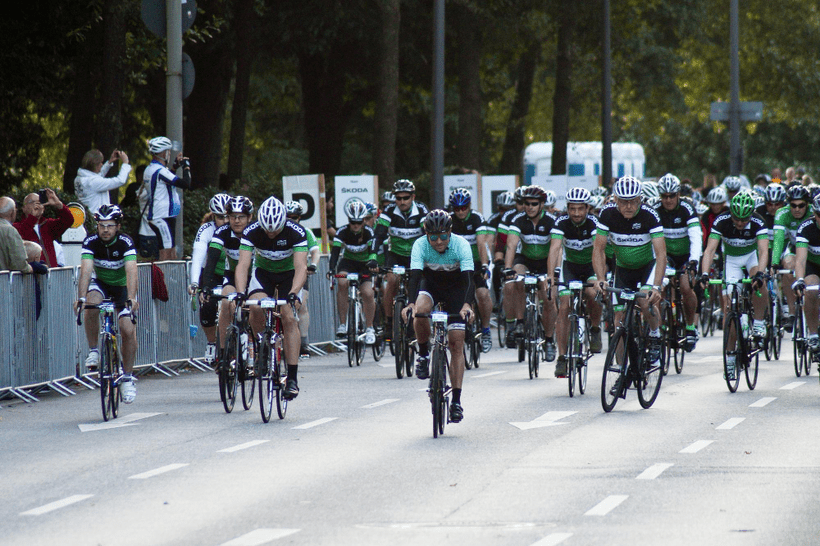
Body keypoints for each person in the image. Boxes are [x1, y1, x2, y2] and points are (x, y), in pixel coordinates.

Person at [402, 210, 473, 423]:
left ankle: (457, 401)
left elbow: (470, 279)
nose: (439, 241)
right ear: (426, 234)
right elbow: (414, 277)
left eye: (443, 236)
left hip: (457, 289)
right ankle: (423, 354)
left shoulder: (461, 245)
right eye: (433, 237)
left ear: (450, 232)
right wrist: (411, 304)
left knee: (456, 344)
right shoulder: (420, 245)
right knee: (421, 311)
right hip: (431, 285)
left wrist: (467, 305)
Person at [234, 197, 307, 400]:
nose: (271, 234)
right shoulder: (252, 231)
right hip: (263, 274)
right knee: (255, 307)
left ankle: (292, 378)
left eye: (275, 230)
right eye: (267, 230)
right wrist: (240, 292)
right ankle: (262, 349)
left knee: (289, 317)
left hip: (289, 276)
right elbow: (243, 265)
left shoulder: (296, 232)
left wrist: (293, 292)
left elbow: (301, 267)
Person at [592, 176, 666, 366]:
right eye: (624, 201)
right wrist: (600, 278)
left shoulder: (650, 215)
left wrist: (656, 286)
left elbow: (661, 254)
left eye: (633, 201)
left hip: (646, 268)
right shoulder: (607, 214)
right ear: (615, 199)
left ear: (640, 199)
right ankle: (622, 371)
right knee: (618, 321)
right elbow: (598, 249)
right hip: (623, 269)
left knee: (644, 299)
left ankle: (655, 335)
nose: (629, 206)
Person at [75, 205, 139, 403]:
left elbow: (131, 271)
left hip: (121, 288)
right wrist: (81, 298)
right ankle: (94, 350)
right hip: (101, 284)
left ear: (118, 226)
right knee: (91, 302)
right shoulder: (91, 242)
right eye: (101, 225)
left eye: (109, 226)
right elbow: (85, 270)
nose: (104, 230)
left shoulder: (125, 242)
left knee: (127, 330)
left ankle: (127, 377)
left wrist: (131, 297)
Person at [700, 192, 769, 377]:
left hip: (751, 258)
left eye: (744, 219)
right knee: (730, 309)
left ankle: (759, 323)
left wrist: (761, 274)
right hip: (731, 262)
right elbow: (709, 250)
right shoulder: (722, 221)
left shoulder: (758, 222)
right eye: (736, 219)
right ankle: (730, 359)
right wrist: (704, 274)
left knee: (759, 282)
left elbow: (763, 252)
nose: (739, 223)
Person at [547, 187, 603, 376]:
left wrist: (599, 278)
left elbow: (598, 250)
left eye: (580, 208)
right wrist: (550, 276)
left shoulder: (595, 222)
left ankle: (595, 328)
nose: (576, 213)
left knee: (592, 294)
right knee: (564, 306)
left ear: (587, 208)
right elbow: (554, 249)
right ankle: (562, 358)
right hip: (569, 268)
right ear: (567, 208)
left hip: (590, 267)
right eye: (572, 208)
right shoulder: (561, 222)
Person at [502, 185, 558, 363]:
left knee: (548, 299)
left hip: (545, 262)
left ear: (542, 204)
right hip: (525, 259)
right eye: (526, 203)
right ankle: (519, 322)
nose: (530, 207)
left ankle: (549, 341)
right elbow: (511, 245)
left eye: (534, 203)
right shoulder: (518, 219)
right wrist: (508, 268)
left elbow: (557, 249)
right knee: (517, 280)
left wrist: (553, 273)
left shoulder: (551, 221)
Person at [200, 196, 254, 369]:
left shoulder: (256, 231)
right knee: (226, 303)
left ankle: (254, 346)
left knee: (254, 308)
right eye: (232, 216)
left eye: (241, 217)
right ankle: (223, 353)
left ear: (250, 217)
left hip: (255, 276)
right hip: (231, 275)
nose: (236, 221)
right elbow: (212, 260)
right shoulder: (222, 232)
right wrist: (205, 286)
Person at [373, 179, 429, 338]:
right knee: (391, 281)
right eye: (398, 198)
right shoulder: (390, 210)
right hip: (395, 254)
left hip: (416, 255)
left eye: (406, 198)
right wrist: (373, 257)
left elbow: (428, 233)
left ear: (413, 197)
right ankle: (389, 323)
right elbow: (378, 235)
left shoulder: (421, 209)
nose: (402, 201)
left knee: (417, 284)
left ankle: (415, 321)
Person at [654, 173, 703, 351]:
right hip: (665, 257)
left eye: (672, 196)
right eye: (664, 196)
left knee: (685, 287)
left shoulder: (687, 209)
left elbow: (696, 237)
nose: (668, 200)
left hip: (685, 256)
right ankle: (657, 331)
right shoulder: (656, 210)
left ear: (678, 195)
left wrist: (693, 262)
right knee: (657, 289)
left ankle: (690, 327)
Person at [188, 193, 232, 364]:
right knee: (207, 305)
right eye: (221, 217)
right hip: (211, 273)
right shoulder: (206, 230)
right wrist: (194, 282)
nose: (226, 221)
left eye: (228, 216)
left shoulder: (237, 228)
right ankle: (212, 341)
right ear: (213, 216)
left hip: (231, 272)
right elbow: (198, 257)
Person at [448, 188, 494, 352]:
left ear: (469, 206)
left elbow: (482, 244)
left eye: (464, 207)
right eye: (457, 208)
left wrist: (484, 265)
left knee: (482, 294)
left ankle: (486, 329)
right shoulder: (449, 220)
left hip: (475, 261)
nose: (460, 211)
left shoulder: (476, 218)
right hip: (457, 263)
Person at [328, 200, 378, 345]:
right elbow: (335, 252)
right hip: (348, 263)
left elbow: (373, 251)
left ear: (363, 220)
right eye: (352, 221)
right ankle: (343, 324)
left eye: (359, 222)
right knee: (342, 283)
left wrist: (373, 262)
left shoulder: (369, 232)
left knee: (368, 293)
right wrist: (331, 269)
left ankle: (369, 328)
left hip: (364, 264)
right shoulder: (342, 231)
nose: (355, 225)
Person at [140, 136, 191, 260]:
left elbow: (165, 181)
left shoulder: (150, 169)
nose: (169, 154)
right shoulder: (160, 170)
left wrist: (174, 167)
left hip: (164, 215)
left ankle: (170, 278)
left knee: (171, 251)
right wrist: (186, 167)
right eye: (168, 152)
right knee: (166, 253)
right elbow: (185, 184)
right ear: (163, 153)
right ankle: (163, 278)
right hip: (161, 216)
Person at [771, 185, 813, 331]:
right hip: (794, 248)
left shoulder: (814, 212)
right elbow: (778, 240)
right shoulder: (782, 214)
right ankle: (791, 312)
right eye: (793, 205)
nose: (796, 209)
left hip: (813, 250)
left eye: (801, 205)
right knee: (788, 266)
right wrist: (775, 262)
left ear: (807, 204)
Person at [286, 201, 321, 358]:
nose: (292, 220)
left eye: (295, 218)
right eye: (288, 217)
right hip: (282, 273)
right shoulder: (277, 231)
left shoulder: (306, 232)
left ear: (300, 218)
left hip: (300, 273)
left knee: (302, 305)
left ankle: (304, 342)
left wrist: (313, 265)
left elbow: (315, 251)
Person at [13, 189, 74, 267]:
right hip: (31, 275)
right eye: (32, 202)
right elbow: (24, 233)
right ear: (24, 208)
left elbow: (69, 220)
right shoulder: (16, 227)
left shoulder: (48, 225)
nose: (37, 204)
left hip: (50, 274)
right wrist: (32, 218)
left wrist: (58, 204)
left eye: (40, 202)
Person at [792, 193, 820, 360]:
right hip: (812, 265)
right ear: (814, 214)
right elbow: (800, 260)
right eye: (819, 215)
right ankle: (814, 335)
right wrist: (800, 279)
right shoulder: (805, 227)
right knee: (810, 290)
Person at [74, 149, 131, 215]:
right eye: (100, 163)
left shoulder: (79, 178)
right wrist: (125, 163)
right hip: (97, 221)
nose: (101, 165)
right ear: (94, 164)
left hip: (87, 218)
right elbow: (120, 180)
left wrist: (109, 163)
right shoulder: (93, 182)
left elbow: (96, 177)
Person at [0, 197, 32, 273]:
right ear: (12, 212)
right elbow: (19, 264)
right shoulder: (9, 231)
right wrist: (33, 267)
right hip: (4, 282)